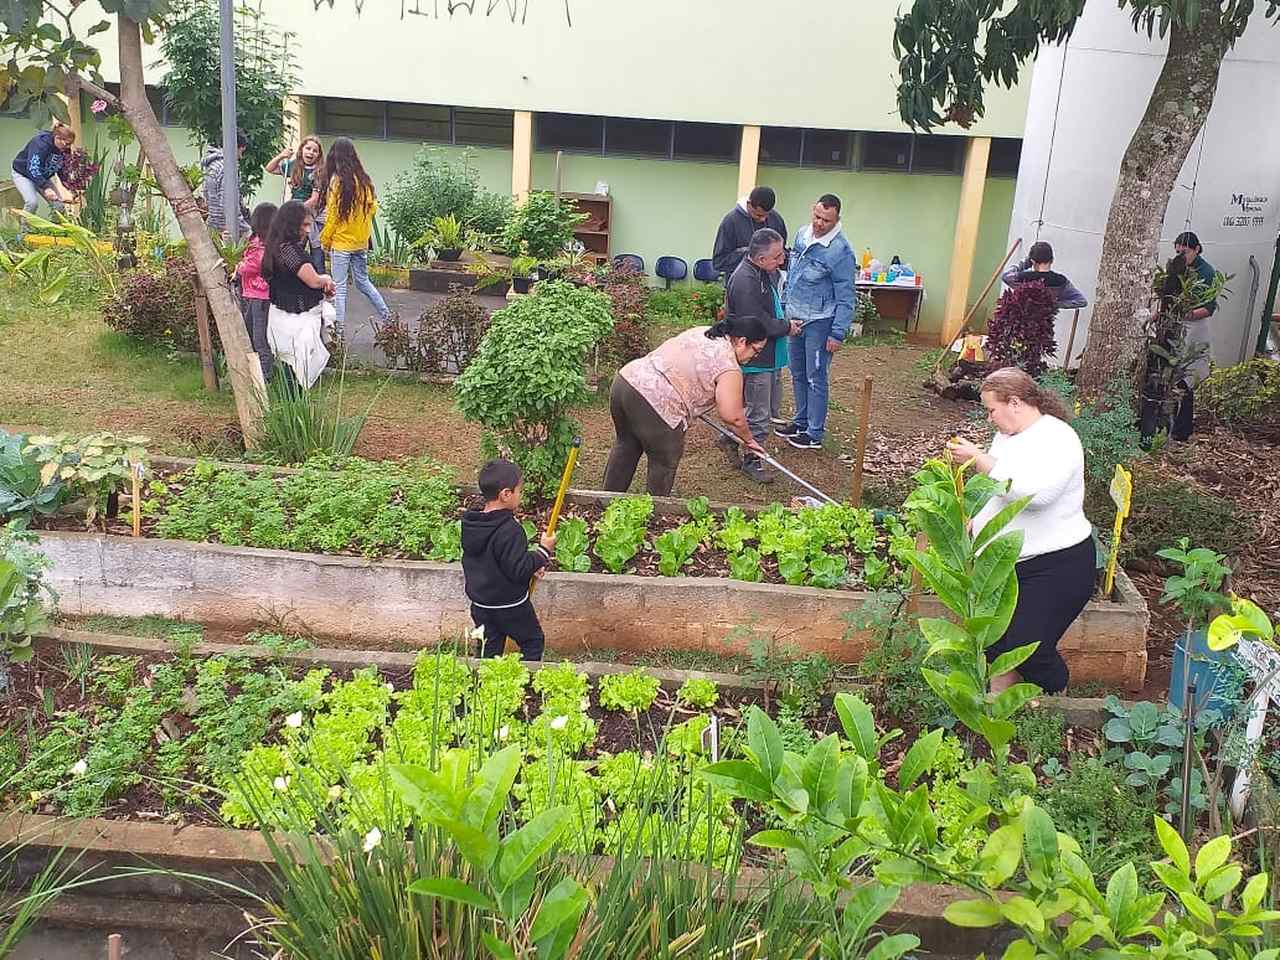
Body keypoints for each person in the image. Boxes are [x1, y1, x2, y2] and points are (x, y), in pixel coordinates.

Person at [946, 368, 1094, 695]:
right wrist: (976, 517)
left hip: (1058, 565)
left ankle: (1058, 689)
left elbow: (1035, 495)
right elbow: (999, 490)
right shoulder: (1009, 436)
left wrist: (979, 459)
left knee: (1027, 647)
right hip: (1013, 564)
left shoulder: (1059, 438)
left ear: (1014, 402)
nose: (989, 419)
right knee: (997, 645)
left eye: (991, 410)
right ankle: (997, 710)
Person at [603, 316, 770, 496]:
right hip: (658, 401)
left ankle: (606, 503)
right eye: (756, 350)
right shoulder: (729, 366)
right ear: (742, 341)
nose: (755, 357)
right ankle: (655, 512)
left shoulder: (706, 332)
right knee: (664, 461)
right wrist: (749, 441)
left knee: (626, 444)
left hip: (626, 382)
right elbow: (733, 417)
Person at [776, 194, 855, 450]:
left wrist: (837, 332)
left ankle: (814, 432)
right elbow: (793, 272)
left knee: (815, 376)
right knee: (797, 373)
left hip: (820, 322)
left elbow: (846, 295)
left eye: (827, 220)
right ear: (813, 210)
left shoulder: (840, 251)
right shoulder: (801, 234)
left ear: (837, 219)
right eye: (818, 217)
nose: (820, 223)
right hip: (795, 317)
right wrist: (785, 307)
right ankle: (800, 422)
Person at [462, 458, 557, 661]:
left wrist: (532, 563)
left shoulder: (472, 525)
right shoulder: (510, 529)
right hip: (509, 606)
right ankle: (524, 682)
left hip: (480, 605)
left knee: (489, 646)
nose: (520, 496)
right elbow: (518, 569)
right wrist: (543, 552)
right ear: (506, 494)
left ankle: (483, 685)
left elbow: (496, 562)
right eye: (519, 491)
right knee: (532, 641)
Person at [723, 227, 796, 483]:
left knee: (758, 404)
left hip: (766, 354)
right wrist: (787, 327)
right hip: (756, 357)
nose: (782, 260)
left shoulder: (762, 272)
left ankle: (728, 439)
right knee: (759, 412)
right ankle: (752, 460)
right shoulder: (745, 280)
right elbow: (758, 323)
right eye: (777, 256)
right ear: (761, 258)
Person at [318, 136, 390, 343]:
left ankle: (338, 336)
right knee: (363, 282)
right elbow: (373, 208)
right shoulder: (364, 180)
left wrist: (325, 240)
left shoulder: (337, 181)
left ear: (334, 156)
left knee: (339, 289)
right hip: (360, 243)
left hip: (341, 243)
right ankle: (388, 318)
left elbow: (332, 215)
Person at [261, 200, 337, 389]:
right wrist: (326, 279)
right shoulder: (290, 251)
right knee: (298, 369)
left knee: (288, 365)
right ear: (291, 224)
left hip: (281, 316)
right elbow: (312, 280)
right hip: (297, 319)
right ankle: (295, 411)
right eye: (304, 224)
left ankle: (289, 407)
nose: (308, 230)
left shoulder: (275, 247)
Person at [236, 202, 277, 382]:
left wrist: (238, 268)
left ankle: (265, 379)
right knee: (250, 333)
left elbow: (253, 265)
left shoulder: (263, 246)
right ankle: (255, 375)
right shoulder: (257, 241)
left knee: (260, 340)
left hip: (261, 296)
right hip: (254, 294)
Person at [712, 186, 788, 277]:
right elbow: (719, 262)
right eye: (758, 215)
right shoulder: (731, 221)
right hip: (742, 283)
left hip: (770, 283)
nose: (763, 219)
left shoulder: (776, 219)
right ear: (749, 203)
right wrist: (752, 253)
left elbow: (781, 252)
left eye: (766, 215)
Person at [12, 122, 75, 219]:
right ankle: (23, 232)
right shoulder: (40, 144)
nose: (67, 147)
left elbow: (62, 169)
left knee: (59, 206)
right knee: (32, 203)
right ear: (57, 138)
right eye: (66, 144)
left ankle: (55, 231)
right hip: (24, 174)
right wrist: (46, 188)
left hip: (42, 176)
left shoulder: (64, 148)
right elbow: (33, 168)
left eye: (70, 144)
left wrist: (71, 189)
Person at [1001, 240, 1089, 309]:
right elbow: (1081, 301)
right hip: (1043, 326)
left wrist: (1025, 263)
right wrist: (1055, 304)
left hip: (1022, 323)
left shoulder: (1022, 278)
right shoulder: (1061, 281)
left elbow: (1005, 276)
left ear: (1033, 262)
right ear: (1052, 260)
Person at [202, 130, 250, 237]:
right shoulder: (227, 167)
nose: (241, 157)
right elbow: (228, 201)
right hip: (227, 228)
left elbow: (205, 193)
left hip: (213, 224)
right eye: (241, 151)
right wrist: (244, 228)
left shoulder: (212, 165)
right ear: (236, 147)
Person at [266, 135, 324, 207]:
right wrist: (281, 156)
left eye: (315, 151)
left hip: (311, 210)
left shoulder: (320, 171)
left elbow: (314, 200)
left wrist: (297, 210)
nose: (311, 152)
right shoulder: (294, 165)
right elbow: (270, 169)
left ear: (319, 155)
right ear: (301, 149)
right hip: (293, 205)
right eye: (308, 148)